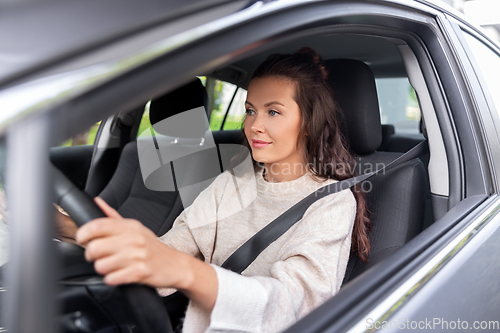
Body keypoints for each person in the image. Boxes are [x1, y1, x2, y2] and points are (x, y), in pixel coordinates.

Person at [73, 47, 371, 333]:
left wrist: (185, 272)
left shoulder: (332, 202)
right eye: (251, 110)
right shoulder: (232, 182)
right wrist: (73, 228)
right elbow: (174, 247)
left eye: (273, 112)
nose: (254, 125)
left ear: (308, 122)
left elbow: (295, 305)